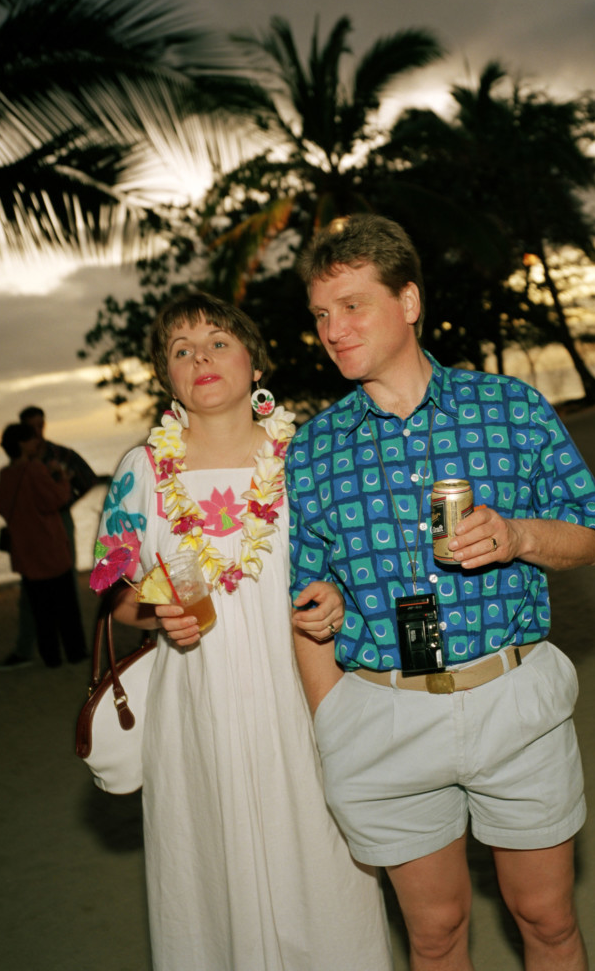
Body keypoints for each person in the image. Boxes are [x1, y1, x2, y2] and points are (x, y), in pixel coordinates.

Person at [287, 214, 595, 971]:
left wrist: (518, 536)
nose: (333, 330)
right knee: (434, 936)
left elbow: (592, 536)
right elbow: (305, 594)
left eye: (352, 306)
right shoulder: (312, 449)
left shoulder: (509, 407)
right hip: (384, 713)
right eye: (321, 314)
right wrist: (332, 710)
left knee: (546, 920)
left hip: (512, 700)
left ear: (407, 302)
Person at [88, 292, 391, 971]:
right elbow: (115, 595)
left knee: (324, 868)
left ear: (255, 363)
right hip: (196, 706)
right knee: (210, 879)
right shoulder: (142, 470)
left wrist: (338, 600)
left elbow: (359, 566)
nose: (201, 358)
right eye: (182, 350)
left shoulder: (308, 455)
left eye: (218, 342)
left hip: (305, 692)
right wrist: (158, 610)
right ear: (167, 377)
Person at [0, 407, 98, 670]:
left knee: (40, 600)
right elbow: (56, 498)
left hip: (25, 539)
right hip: (48, 536)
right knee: (61, 596)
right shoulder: (36, 468)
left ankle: (50, 656)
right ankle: (72, 652)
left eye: (40, 426)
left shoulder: (6, 473)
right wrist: (62, 480)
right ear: (23, 439)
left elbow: (2, 508)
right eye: (32, 430)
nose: (37, 434)